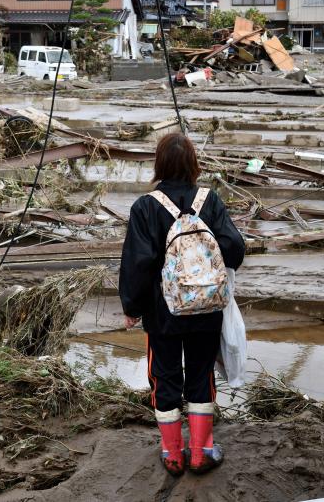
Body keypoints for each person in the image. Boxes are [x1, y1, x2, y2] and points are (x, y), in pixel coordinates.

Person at [118, 132, 245, 476]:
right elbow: (234, 249)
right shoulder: (211, 201)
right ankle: (202, 451)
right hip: (207, 308)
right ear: (193, 164)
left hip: (164, 314)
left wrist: (132, 308)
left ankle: (172, 453)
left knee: (164, 376)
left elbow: (138, 264)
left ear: (159, 164)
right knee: (202, 375)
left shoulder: (145, 207)